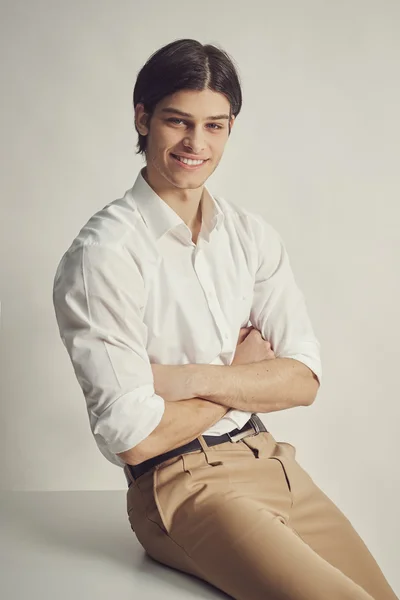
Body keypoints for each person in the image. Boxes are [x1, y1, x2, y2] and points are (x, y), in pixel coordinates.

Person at [52, 38, 398, 600]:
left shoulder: (249, 235)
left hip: (272, 461)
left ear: (230, 129)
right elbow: (134, 438)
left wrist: (190, 380)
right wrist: (244, 380)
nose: (196, 142)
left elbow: (304, 378)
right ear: (142, 118)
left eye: (215, 125)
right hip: (182, 486)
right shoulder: (105, 254)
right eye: (178, 121)